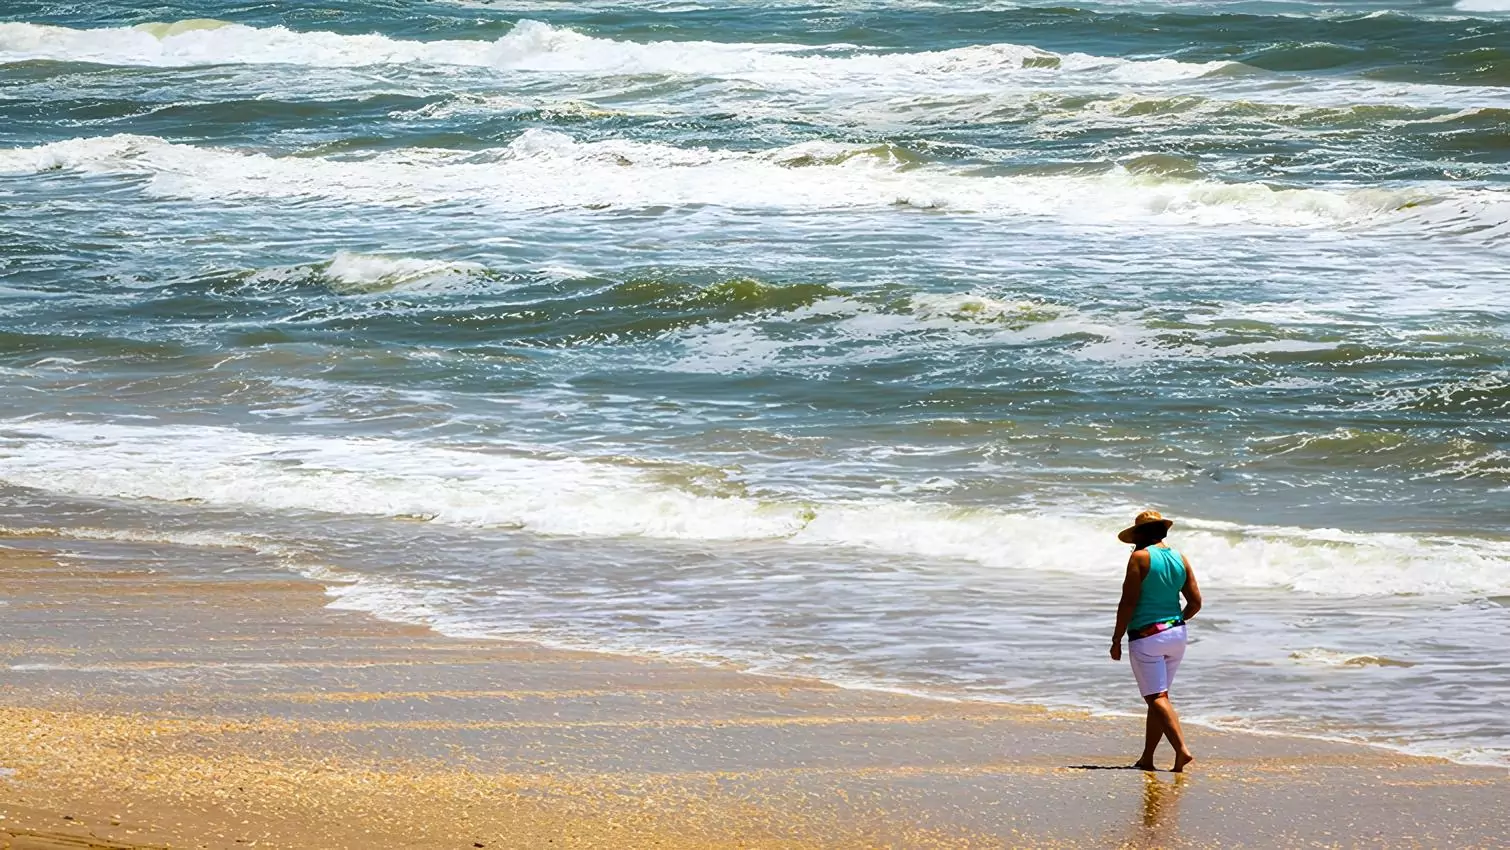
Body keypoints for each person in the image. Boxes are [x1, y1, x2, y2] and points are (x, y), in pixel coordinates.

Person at [1109, 510, 1202, 772]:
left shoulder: (1140, 558)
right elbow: (1195, 603)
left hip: (1147, 636)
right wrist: (1173, 623)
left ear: (1139, 535)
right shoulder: (1179, 558)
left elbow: (1128, 602)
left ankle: (1181, 749)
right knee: (1159, 696)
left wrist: (1116, 638)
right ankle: (1147, 758)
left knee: (1157, 698)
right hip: (1177, 634)